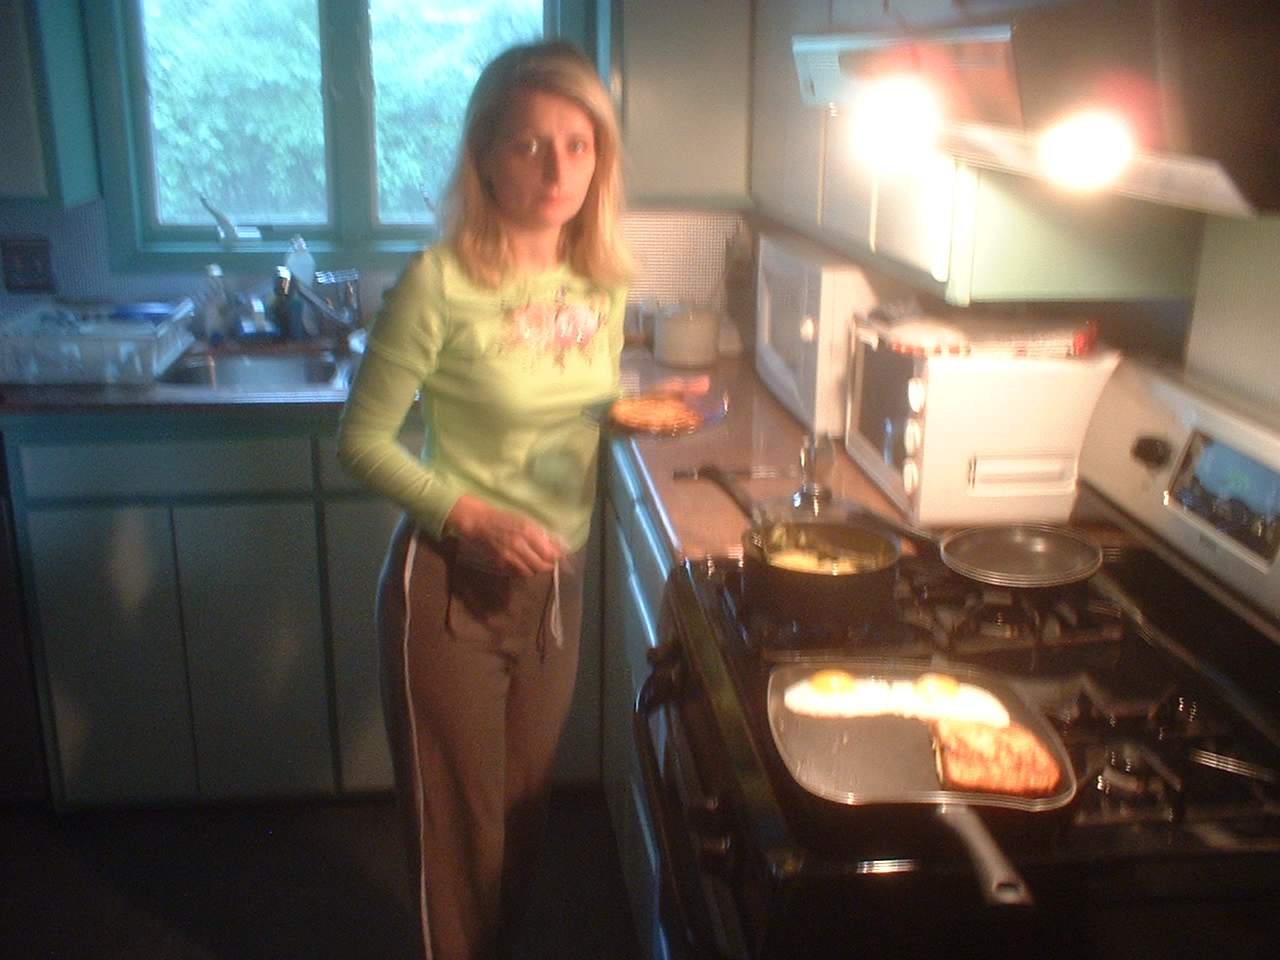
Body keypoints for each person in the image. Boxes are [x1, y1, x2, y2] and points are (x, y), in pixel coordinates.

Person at [336, 41, 631, 960]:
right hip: (451, 587)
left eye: (578, 145)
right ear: (486, 157)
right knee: (460, 839)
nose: (556, 170)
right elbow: (361, 442)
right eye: (528, 145)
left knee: (523, 815)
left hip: (555, 587)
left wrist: (635, 415)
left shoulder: (603, 282)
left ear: (601, 158)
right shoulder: (440, 282)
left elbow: (571, 408)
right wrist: (470, 517)